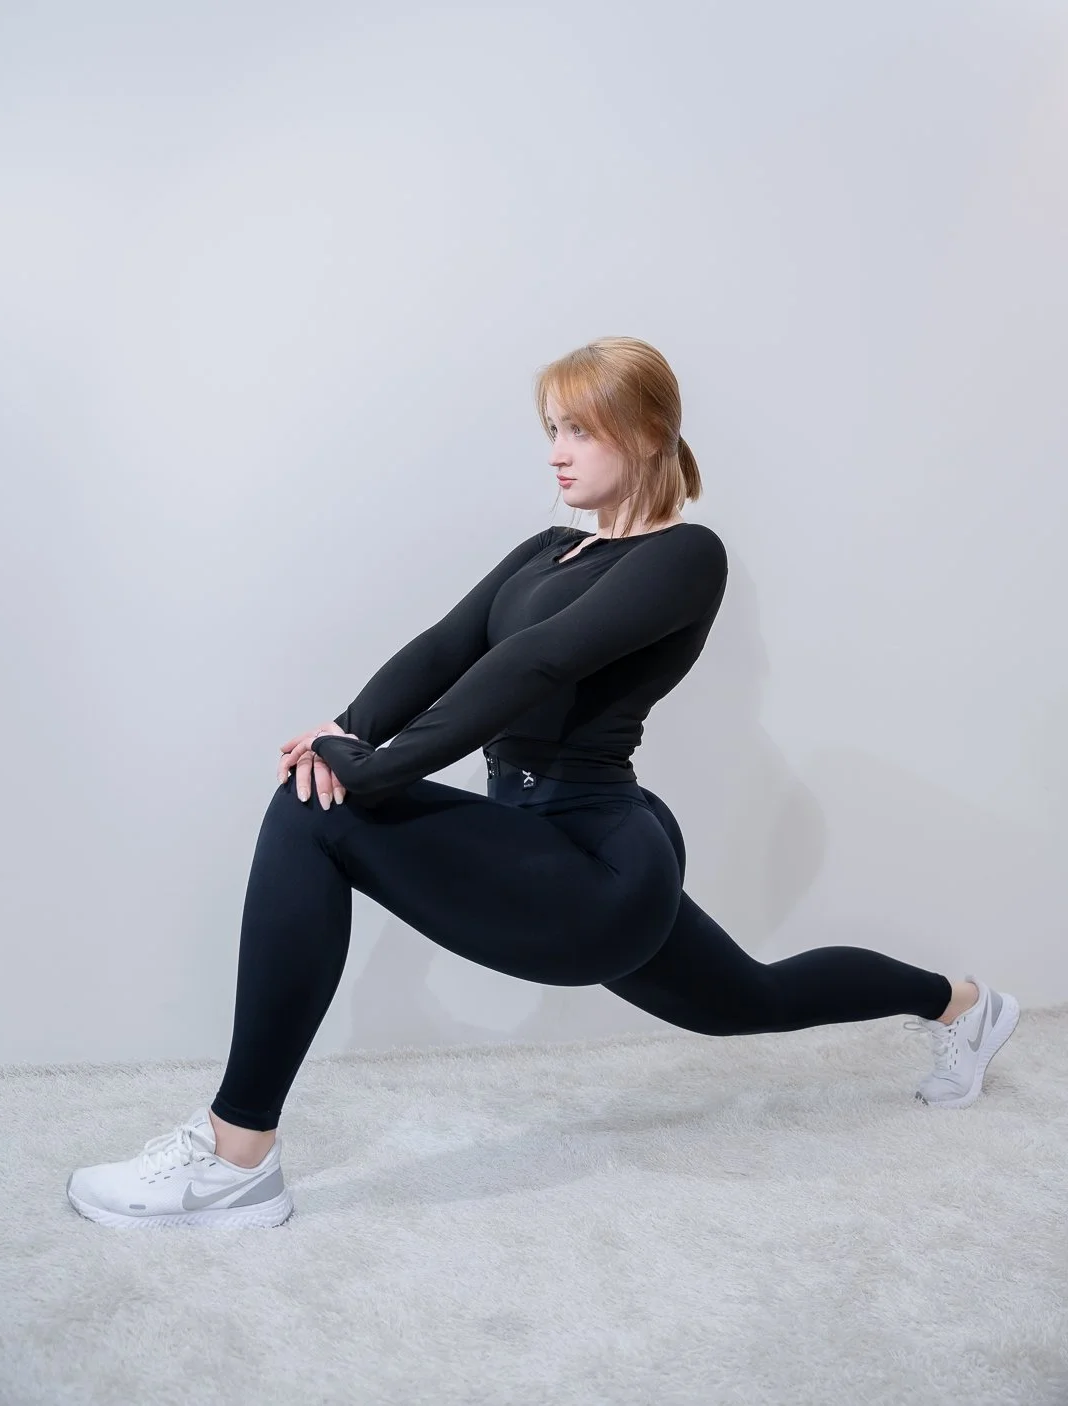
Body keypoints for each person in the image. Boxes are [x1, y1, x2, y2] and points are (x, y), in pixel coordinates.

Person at [66, 336, 1019, 1230]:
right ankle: (966, 1007)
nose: (557, 453)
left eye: (578, 429)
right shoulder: (544, 550)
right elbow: (446, 647)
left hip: (600, 859)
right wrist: (345, 731)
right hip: (545, 843)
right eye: (550, 431)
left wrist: (376, 769)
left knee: (314, 817)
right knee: (751, 1000)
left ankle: (237, 1160)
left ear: (644, 433)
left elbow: (540, 665)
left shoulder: (687, 555)